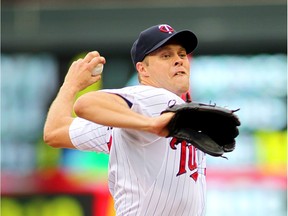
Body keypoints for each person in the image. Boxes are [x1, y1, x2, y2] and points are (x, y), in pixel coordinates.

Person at [43, 24, 206, 216]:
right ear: (143, 69)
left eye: (181, 54)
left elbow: (54, 132)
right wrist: (150, 125)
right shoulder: (154, 97)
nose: (179, 60)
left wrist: (69, 86)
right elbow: (85, 104)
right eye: (166, 55)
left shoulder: (122, 123)